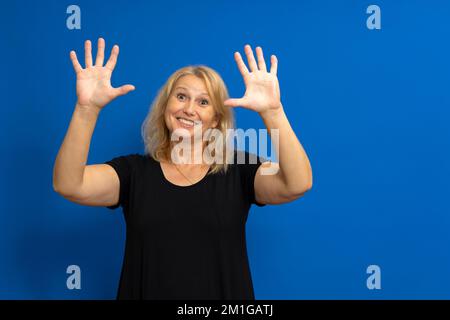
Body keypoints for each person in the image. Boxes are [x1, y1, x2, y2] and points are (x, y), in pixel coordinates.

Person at [52, 38, 313, 300]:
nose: (188, 109)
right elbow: (69, 185)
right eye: (181, 96)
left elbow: (297, 184)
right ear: (166, 106)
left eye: (203, 102)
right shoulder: (133, 173)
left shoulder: (239, 171)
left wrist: (273, 112)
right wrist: (86, 110)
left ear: (216, 120)